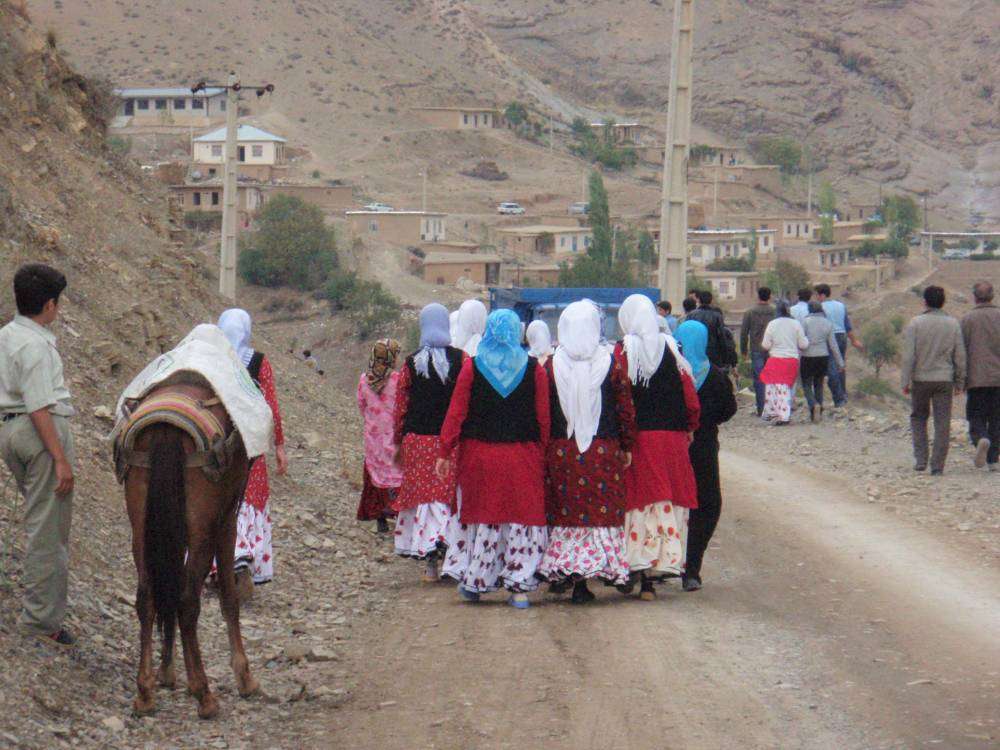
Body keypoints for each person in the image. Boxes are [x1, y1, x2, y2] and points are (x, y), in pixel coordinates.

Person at [438, 309, 550, 608]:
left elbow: (457, 412)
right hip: (521, 455)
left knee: (483, 516)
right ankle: (519, 588)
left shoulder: (472, 368)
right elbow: (543, 417)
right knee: (520, 517)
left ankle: (475, 581)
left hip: (479, 455)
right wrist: (544, 453)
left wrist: (445, 449)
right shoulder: (533, 369)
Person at [538, 302, 636, 603]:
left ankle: (569, 576)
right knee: (600, 511)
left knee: (567, 511)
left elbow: (540, 411)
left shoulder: (550, 366)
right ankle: (606, 570)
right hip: (603, 450)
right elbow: (624, 409)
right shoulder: (611, 363)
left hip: (562, 453)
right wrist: (628, 444)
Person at [0, 265, 76, 646]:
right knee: (47, 530)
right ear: (49, 304)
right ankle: (41, 622)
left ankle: (40, 612)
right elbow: (39, 407)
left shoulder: (8, 335)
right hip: (38, 433)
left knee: (39, 518)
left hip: (10, 430)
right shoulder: (35, 345)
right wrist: (60, 457)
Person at [615, 294, 700, 601]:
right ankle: (656, 572)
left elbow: (619, 398)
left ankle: (633, 570)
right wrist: (690, 427)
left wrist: (621, 437)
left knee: (638, 503)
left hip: (639, 440)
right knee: (666, 499)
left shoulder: (624, 351)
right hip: (673, 440)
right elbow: (690, 395)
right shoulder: (673, 349)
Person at [217, 310, 288, 591]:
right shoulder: (258, 362)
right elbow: (271, 407)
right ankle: (241, 553)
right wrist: (279, 445)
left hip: (218, 442)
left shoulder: (213, 359)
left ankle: (219, 561)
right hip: (251, 444)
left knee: (220, 501)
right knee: (248, 500)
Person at [392, 304, 462, 581]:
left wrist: (398, 441)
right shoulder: (463, 359)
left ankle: (430, 562)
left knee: (426, 499)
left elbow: (401, 406)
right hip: (450, 442)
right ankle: (451, 556)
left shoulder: (411, 363)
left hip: (418, 441)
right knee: (447, 497)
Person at [675, 320, 737, 592]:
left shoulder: (669, 372)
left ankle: (660, 562)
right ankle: (692, 568)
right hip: (704, 448)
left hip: (673, 449)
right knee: (707, 503)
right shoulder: (715, 376)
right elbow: (728, 409)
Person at [901, 286, 966, 475]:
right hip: (944, 380)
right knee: (942, 422)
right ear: (943, 302)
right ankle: (937, 466)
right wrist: (960, 382)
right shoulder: (953, 324)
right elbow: (960, 356)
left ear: (925, 302)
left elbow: (909, 357)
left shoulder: (915, 323)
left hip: (921, 379)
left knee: (919, 417)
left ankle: (921, 460)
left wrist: (905, 381)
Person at [356, 340, 403, 533]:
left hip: (373, 439)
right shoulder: (398, 380)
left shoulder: (363, 380)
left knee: (377, 475)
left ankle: (380, 520)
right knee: (397, 475)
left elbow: (361, 405)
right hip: (394, 438)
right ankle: (399, 517)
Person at [961, 281, 1000, 471]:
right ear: (992, 296)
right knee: (996, 418)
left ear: (975, 297)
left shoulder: (967, 319)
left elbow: (961, 351)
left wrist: (960, 378)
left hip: (976, 378)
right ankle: (993, 461)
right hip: (998, 378)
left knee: (975, 415)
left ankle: (980, 439)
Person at [759, 301, 808, 425]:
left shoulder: (772, 324)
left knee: (773, 388)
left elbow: (765, 345)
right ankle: (785, 413)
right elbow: (803, 344)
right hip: (791, 360)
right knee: (787, 388)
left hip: (775, 359)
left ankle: (777, 413)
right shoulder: (796, 324)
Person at [814, 284, 863, 407]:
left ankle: (839, 398)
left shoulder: (820, 307)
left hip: (829, 338)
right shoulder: (841, 306)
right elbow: (847, 325)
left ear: (822, 295)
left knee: (831, 368)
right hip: (842, 337)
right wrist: (854, 340)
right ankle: (843, 395)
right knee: (840, 365)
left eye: (817, 295)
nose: (816, 298)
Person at [800, 301, 844, 423]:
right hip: (823, 356)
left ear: (809, 310)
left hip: (807, 356)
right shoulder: (828, 323)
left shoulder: (805, 322)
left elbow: (801, 341)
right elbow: (833, 346)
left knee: (806, 384)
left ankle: (813, 404)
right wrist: (840, 363)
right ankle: (818, 411)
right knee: (818, 384)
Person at [739, 287, 775, 417]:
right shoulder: (774, 311)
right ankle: (773, 407)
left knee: (760, 379)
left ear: (758, 296)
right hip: (772, 350)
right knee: (772, 378)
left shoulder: (750, 312)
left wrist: (743, 351)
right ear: (769, 296)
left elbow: (744, 333)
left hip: (756, 349)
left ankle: (761, 409)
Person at [687, 290, 737, 368]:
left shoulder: (691, 315)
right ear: (711, 300)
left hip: (696, 351)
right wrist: (725, 357)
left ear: (699, 300)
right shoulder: (717, 316)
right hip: (713, 352)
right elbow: (721, 337)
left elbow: (688, 334)